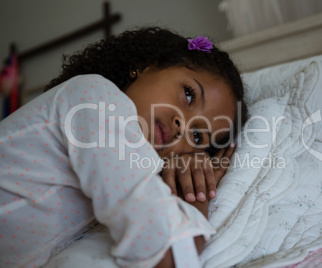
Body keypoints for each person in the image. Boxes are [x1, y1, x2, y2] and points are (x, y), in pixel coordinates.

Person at [0, 27, 248, 268]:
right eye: (189, 94)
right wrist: (198, 200)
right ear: (146, 66)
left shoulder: (133, 166)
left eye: (196, 136)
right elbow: (166, 253)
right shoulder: (95, 98)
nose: (180, 125)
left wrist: (188, 180)